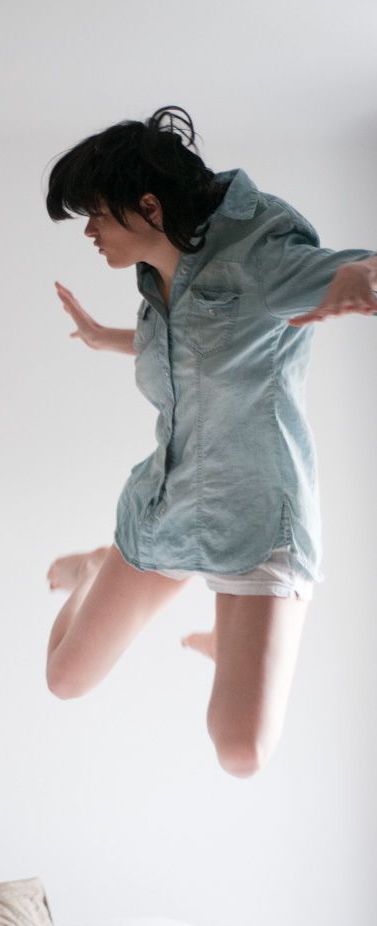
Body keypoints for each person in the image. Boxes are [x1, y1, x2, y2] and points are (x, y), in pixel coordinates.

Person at [44, 106, 376, 778]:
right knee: (66, 679)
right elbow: (184, 348)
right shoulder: (155, 282)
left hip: (254, 521)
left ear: (148, 206)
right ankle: (95, 568)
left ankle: (236, 637)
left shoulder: (261, 257)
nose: (89, 231)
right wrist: (104, 336)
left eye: (96, 214)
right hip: (166, 510)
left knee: (239, 751)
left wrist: (359, 281)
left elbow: (358, 272)